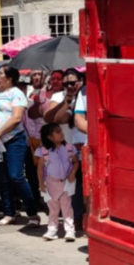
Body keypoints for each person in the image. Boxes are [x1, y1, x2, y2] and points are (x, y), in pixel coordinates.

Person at [0, 67, 41, 227]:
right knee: (2, 178)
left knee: (16, 176)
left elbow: (16, 118)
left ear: (9, 78)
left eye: (1, 73)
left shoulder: (17, 94)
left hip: (14, 140)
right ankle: (9, 212)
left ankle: (32, 212)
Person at [45, 69, 88, 234]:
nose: (69, 86)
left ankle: (86, 217)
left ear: (81, 80)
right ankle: (76, 219)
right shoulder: (58, 96)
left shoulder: (86, 94)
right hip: (69, 149)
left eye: (73, 83)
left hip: (87, 145)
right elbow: (53, 119)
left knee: (87, 185)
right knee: (73, 184)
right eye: (66, 84)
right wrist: (66, 101)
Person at [38, 123, 79, 242]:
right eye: (57, 132)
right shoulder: (44, 151)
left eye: (60, 131)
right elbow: (40, 168)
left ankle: (70, 230)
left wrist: (72, 173)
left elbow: (76, 162)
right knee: (53, 208)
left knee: (67, 207)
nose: (61, 133)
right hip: (50, 183)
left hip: (66, 183)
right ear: (50, 137)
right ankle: (52, 230)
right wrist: (41, 183)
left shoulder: (69, 148)